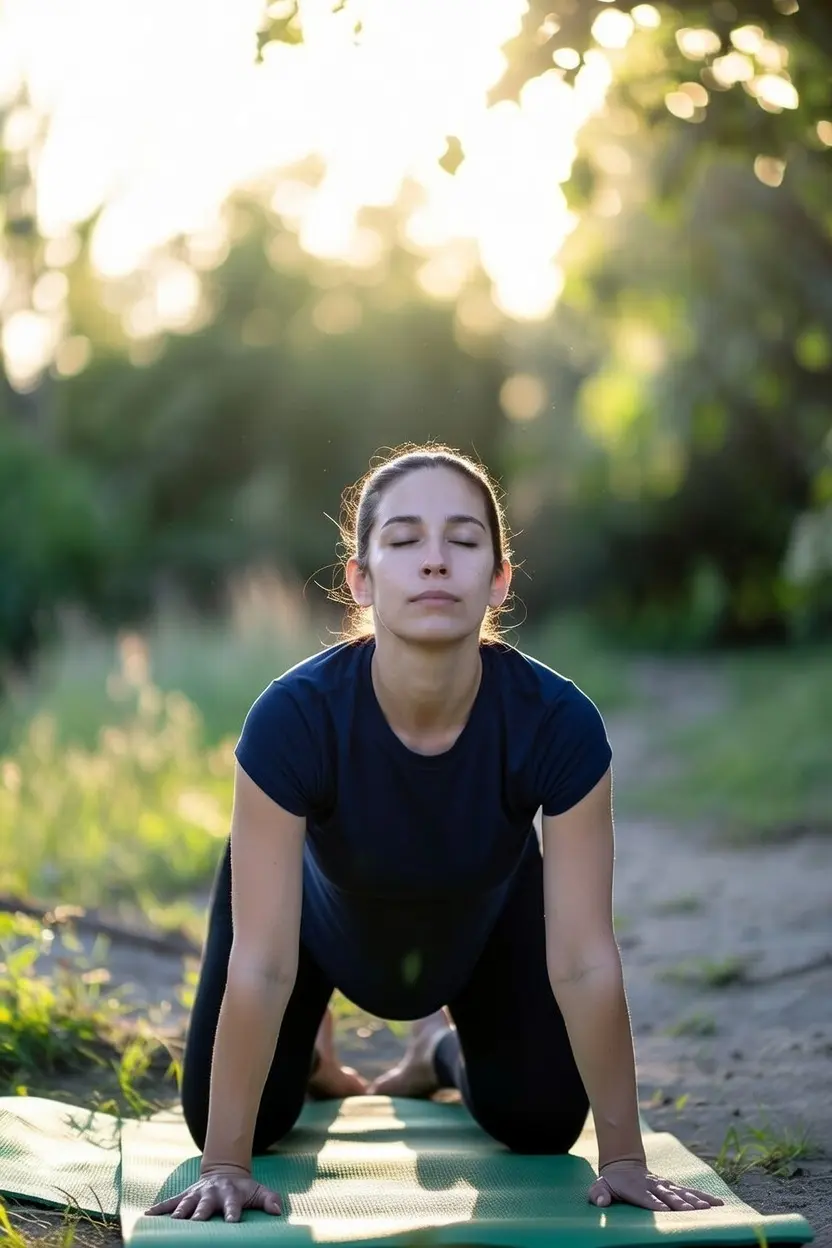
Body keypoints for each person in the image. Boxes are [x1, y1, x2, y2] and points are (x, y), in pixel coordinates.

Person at [146, 445, 724, 1225]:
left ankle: (436, 1052)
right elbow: (263, 960)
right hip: (311, 925)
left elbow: (585, 958)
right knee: (255, 1121)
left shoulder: (558, 724)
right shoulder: (292, 719)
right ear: (360, 577)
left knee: (543, 1123)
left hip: (480, 923)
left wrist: (623, 1158)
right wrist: (223, 1164)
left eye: (462, 538)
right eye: (405, 539)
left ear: (498, 576)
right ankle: (315, 1055)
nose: (434, 562)